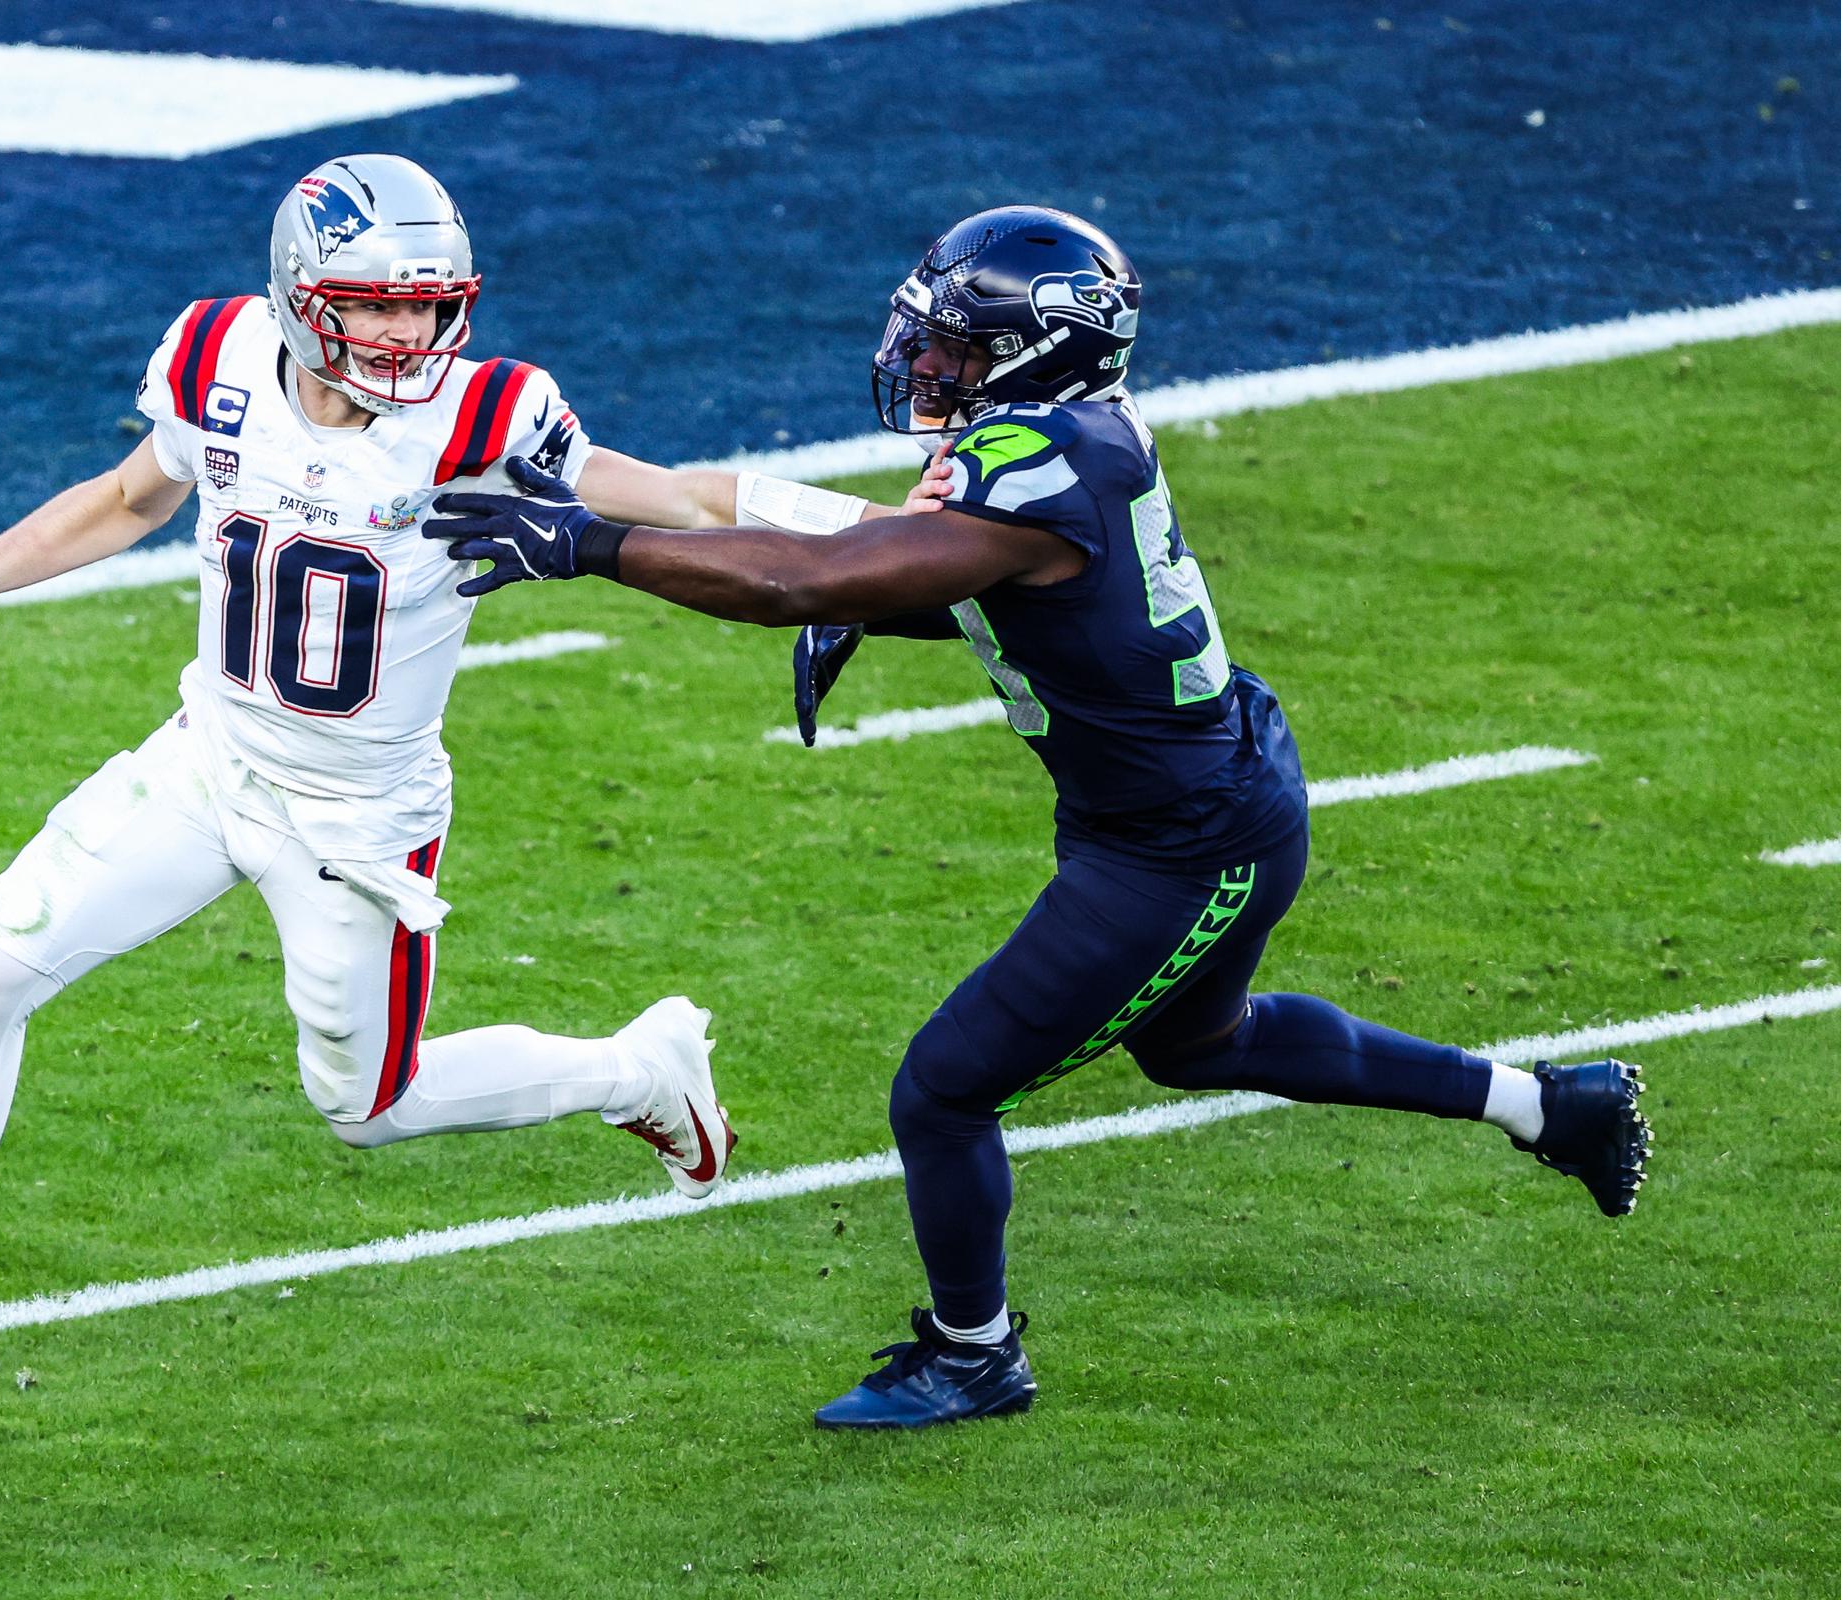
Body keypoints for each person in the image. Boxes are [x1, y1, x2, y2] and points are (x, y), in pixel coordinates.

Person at [424, 205, 1653, 1431]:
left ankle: (975, 1352)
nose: (930, 362)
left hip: (1182, 842)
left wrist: (588, 545)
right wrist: (642, 503)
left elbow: (830, 570)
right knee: (1199, 1045)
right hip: (1192, 797)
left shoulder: (1040, 466)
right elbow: (893, 560)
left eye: (959, 345)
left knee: (944, 1091)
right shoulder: (1053, 443)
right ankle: (1550, 1107)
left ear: (1038, 348)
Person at [0, 154, 891, 1405]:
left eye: (428, 301)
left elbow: (671, 495)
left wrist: (883, 542)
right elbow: (130, 496)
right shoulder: (214, 357)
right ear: (301, 294)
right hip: (209, 759)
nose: (408, 329)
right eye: (376, 301)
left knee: (370, 1106)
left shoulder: (486, 414)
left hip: (359, 817)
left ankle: (640, 1070)